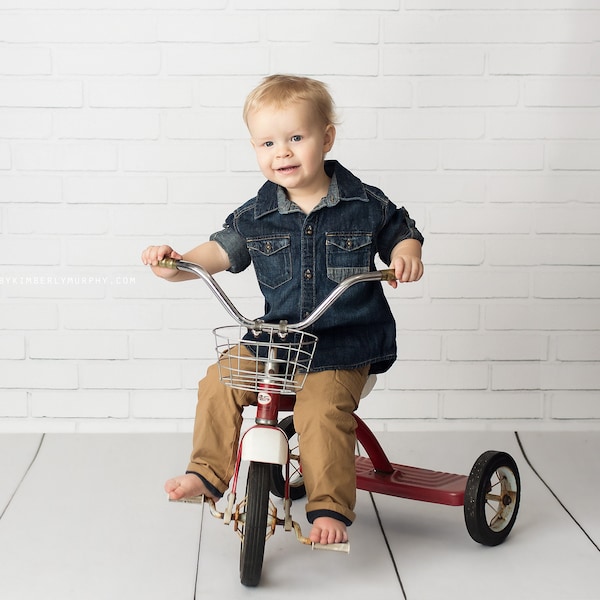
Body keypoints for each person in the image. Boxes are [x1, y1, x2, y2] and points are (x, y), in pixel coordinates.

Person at [141, 74, 424, 546]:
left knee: (320, 410)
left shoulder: (362, 203)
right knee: (219, 380)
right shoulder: (259, 213)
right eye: (268, 143)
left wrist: (406, 253)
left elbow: (402, 230)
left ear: (326, 138)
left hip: (344, 346)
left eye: (296, 138)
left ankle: (330, 508)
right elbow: (220, 250)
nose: (283, 152)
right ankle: (207, 475)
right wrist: (178, 266)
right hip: (278, 342)